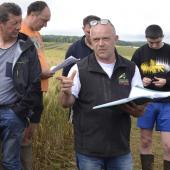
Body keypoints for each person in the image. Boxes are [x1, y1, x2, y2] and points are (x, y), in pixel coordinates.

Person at [57, 19, 144, 170]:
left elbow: (139, 106)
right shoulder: (79, 68)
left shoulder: (130, 68)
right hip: (89, 149)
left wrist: (138, 110)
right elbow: (66, 103)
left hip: (120, 147)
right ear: (91, 40)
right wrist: (65, 92)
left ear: (115, 39)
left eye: (106, 38)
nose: (101, 44)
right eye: (96, 39)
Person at [0, 2, 43, 170]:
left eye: (20, 22)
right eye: (14, 23)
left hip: (13, 113)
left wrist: (19, 112)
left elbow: (34, 82)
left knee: (11, 162)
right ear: (1, 24)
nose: (19, 27)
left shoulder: (26, 47)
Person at [19, 1, 53, 170]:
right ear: (32, 14)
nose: (45, 25)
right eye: (44, 20)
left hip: (38, 90)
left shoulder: (37, 34)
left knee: (29, 135)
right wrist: (40, 73)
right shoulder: (17, 31)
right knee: (20, 135)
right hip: (25, 93)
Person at [131, 24, 170, 170]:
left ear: (162, 37)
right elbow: (130, 75)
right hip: (146, 102)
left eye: (157, 42)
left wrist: (167, 81)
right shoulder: (140, 52)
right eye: (150, 42)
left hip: (167, 102)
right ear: (146, 39)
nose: (154, 45)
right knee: (145, 141)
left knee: (168, 145)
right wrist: (141, 79)